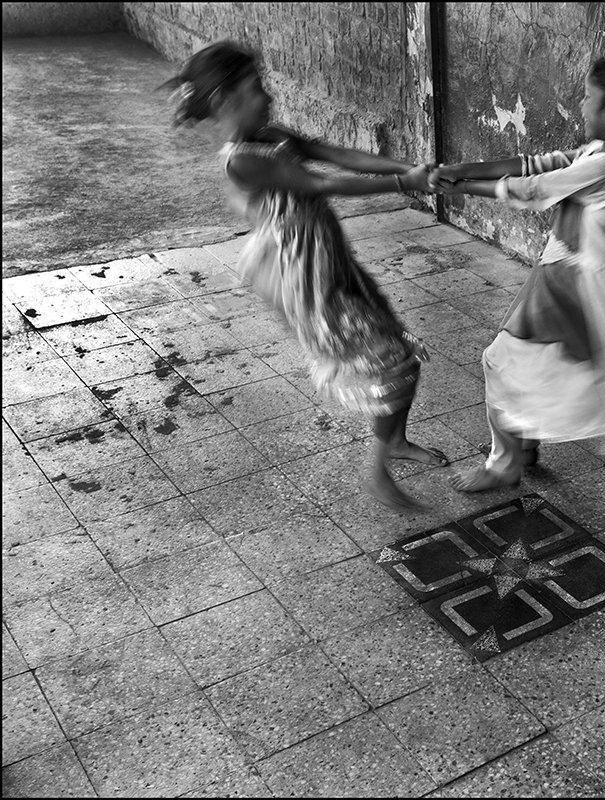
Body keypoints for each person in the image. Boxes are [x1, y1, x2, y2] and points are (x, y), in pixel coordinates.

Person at [162, 42, 445, 509]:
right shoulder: (240, 159)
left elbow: (334, 155)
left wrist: (408, 167)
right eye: (257, 89)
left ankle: (394, 442)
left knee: (395, 344)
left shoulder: (270, 133)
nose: (268, 96)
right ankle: (378, 470)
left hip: (329, 255)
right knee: (393, 361)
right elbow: (320, 182)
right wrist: (404, 183)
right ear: (224, 100)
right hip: (302, 272)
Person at [430, 52, 605, 491]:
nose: (580, 106)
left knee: (501, 360)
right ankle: (522, 444)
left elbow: (533, 188)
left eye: (586, 98)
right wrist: (460, 172)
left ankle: (506, 461)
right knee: (537, 363)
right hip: (586, 279)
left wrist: (459, 187)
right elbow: (536, 165)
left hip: (573, 282)